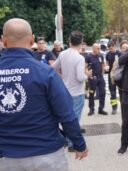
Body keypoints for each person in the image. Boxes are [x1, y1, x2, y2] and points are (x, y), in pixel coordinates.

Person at [0, 18, 88, 171]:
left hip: (6, 157)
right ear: (32, 39)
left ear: (3, 40)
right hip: (46, 155)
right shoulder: (45, 72)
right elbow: (66, 115)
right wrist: (79, 144)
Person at [52, 31, 92, 151]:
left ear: (69, 41)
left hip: (65, 91)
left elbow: (54, 67)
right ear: (81, 42)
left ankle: (65, 140)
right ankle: (71, 144)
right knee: (74, 119)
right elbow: (80, 77)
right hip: (76, 93)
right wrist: (88, 75)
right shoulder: (79, 58)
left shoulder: (63, 54)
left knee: (65, 117)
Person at [85, 43, 108, 116]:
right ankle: (91, 109)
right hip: (92, 78)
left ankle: (101, 109)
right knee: (91, 93)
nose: (99, 50)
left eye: (99, 48)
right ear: (93, 48)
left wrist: (104, 69)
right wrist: (87, 74)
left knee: (102, 93)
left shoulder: (100, 56)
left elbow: (103, 65)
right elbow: (85, 67)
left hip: (100, 77)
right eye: (98, 48)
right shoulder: (88, 57)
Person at [106, 41, 122, 114]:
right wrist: (107, 67)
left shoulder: (119, 53)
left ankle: (123, 107)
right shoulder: (107, 55)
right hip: (111, 75)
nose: (110, 50)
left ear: (114, 46)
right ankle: (114, 108)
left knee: (121, 92)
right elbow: (107, 64)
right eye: (109, 48)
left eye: (111, 48)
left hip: (119, 75)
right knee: (112, 92)